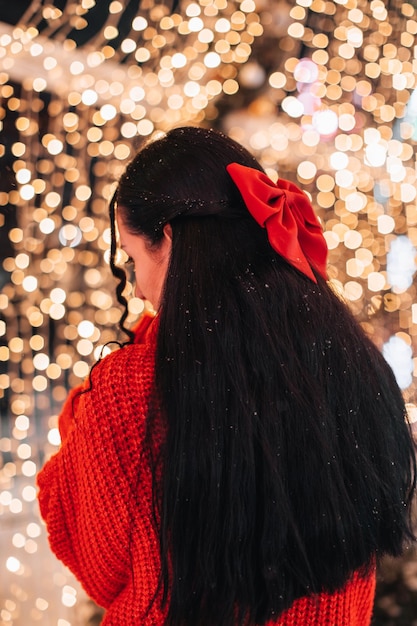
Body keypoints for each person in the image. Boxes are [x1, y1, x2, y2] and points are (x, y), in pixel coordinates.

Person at [37, 126, 416, 626]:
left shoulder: (131, 391)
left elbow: (101, 567)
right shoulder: (351, 360)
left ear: (168, 240)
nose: (140, 289)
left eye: (132, 260)